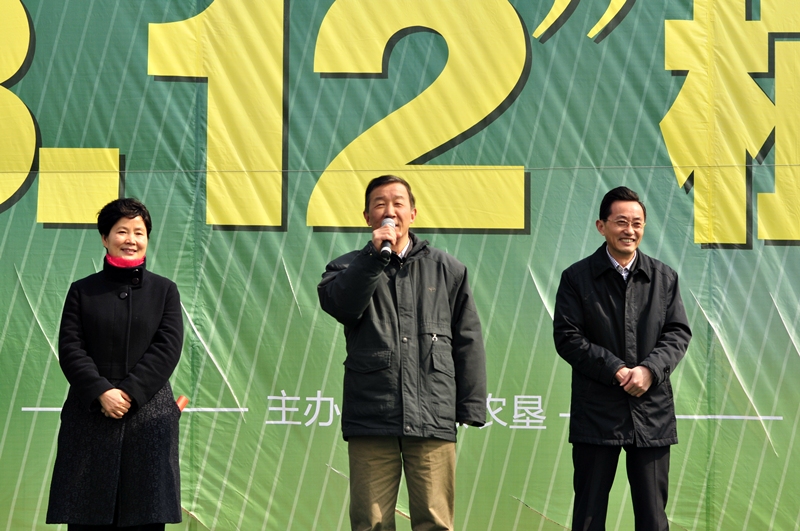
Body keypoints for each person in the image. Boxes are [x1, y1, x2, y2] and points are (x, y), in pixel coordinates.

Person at [318, 175, 487, 531]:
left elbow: (467, 339)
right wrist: (372, 258)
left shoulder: (448, 270)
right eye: (380, 204)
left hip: (432, 411)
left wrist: (470, 405)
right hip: (372, 413)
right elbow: (342, 306)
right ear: (367, 217)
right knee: (371, 522)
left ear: (413, 213)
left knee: (434, 521)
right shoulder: (346, 267)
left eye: (398, 203)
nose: (390, 211)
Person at [553, 186, 691, 531]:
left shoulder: (663, 278)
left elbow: (677, 333)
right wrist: (615, 368)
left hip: (650, 410)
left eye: (637, 223)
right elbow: (568, 337)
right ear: (601, 226)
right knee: (588, 515)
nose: (630, 230)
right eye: (621, 222)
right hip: (597, 412)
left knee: (653, 518)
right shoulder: (576, 278)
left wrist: (649, 370)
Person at [47, 198, 184, 531]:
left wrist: (130, 393)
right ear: (105, 238)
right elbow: (71, 348)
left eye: (139, 232)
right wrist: (101, 392)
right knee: (87, 515)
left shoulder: (165, 291)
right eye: (122, 231)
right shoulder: (82, 291)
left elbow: (167, 347)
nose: (131, 239)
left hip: (148, 417)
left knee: (145, 516)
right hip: (90, 417)